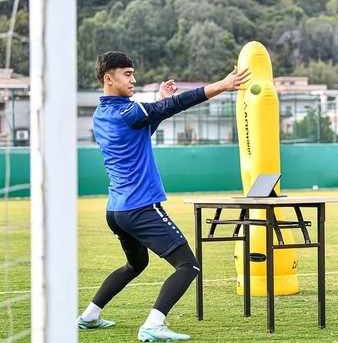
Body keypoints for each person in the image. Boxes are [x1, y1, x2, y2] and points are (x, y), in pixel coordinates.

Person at [77, 51, 250, 341]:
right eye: (127, 74)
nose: (133, 79)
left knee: (136, 264)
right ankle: (152, 326)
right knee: (188, 266)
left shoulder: (103, 113)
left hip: (117, 211)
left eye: (133, 73)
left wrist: (158, 102)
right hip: (140, 207)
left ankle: (89, 316)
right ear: (109, 78)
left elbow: (145, 125)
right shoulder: (126, 112)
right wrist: (220, 85)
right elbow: (172, 106)